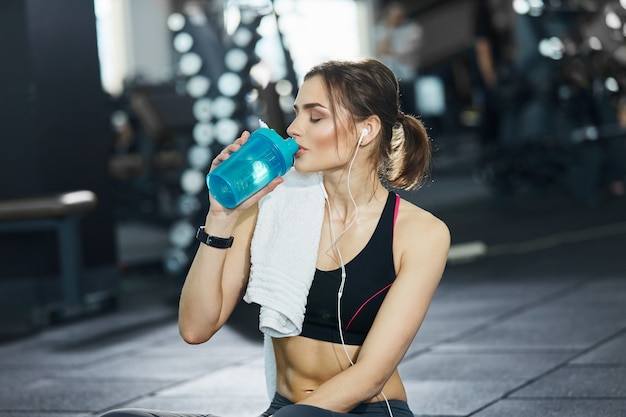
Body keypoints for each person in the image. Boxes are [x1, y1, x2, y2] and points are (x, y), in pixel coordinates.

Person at [101, 58, 450, 417]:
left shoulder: (420, 234)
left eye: (315, 117)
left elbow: (369, 377)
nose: (294, 128)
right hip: (286, 411)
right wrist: (220, 217)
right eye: (296, 113)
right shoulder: (271, 203)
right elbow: (195, 327)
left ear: (368, 130)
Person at [375, 2, 423, 116]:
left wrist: (389, 51)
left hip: (407, 75)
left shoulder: (413, 30)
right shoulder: (382, 29)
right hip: (388, 75)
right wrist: (390, 28)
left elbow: (403, 52)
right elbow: (380, 50)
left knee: (411, 109)